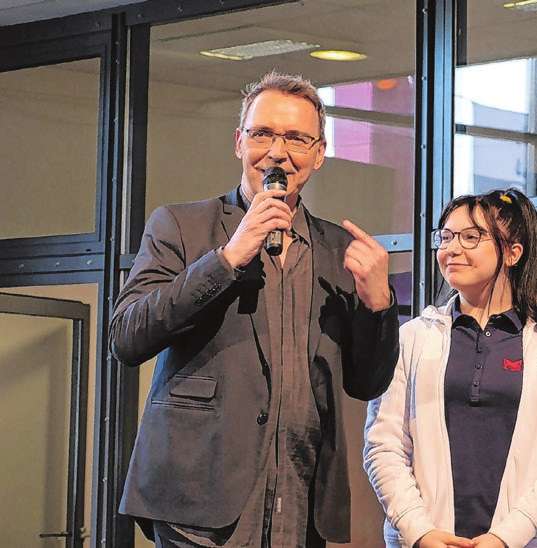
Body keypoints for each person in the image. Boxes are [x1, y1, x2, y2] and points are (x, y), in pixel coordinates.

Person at [109, 70, 400, 548]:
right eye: (262, 133)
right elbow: (127, 337)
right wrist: (227, 258)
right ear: (239, 142)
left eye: (297, 138)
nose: (278, 151)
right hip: (198, 505)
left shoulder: (337, 248)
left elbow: (366, 382)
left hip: (301, 500)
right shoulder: (181, 225)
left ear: (319, 153)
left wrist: (378, 303)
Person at [363, 188, 537, 548]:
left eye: (471, 237)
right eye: (447, 237)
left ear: (514, 252)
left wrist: (506, 536)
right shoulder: (412, 337)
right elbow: (383, 445)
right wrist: (419, 530)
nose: (452, 249)